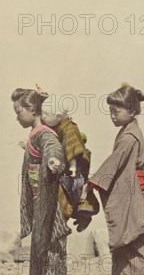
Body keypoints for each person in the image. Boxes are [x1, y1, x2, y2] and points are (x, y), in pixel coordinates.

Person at [88, 83, 144, 275]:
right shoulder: (129, 131)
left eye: (117, 110)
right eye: (110, 110)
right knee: (135, 241)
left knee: (134, 238)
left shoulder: (129, 137)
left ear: (131, 111)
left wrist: (93, 182)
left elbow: (115, 163)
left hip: (134, 193)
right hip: (134, 189)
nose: (112, 115)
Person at [12, 88, 71, 275]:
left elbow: (52, 147)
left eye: (19, 112)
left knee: (52, 244)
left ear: (32, 110)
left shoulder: (45, 132)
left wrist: (54, 161)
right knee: (39, 244)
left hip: (49, 197)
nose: (17, 116)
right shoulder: (34, 132)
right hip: (39, 198)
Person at [40, 98, 100, 232]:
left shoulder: (70, 128)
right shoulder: (58, 122)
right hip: (65, 166)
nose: (43, 117)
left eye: (46, 115)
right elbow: (52, 113)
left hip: (74, 167)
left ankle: (69, 221)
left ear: (59, 116)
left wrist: (73, 165)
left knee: (73, 193)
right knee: (67, 195)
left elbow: (71, 147)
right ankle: (74, 218)